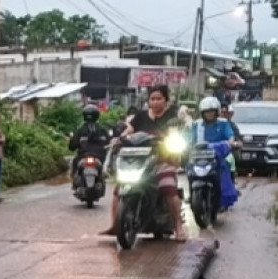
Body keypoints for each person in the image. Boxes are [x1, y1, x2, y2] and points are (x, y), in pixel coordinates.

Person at [101, 85, 187, 241]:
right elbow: (129, 131)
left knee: (168, 187)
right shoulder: (140, 116)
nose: (155, 102)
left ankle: (178, 227)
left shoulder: (172, 117)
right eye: (152, 99)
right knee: (119, 188)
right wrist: (119, 138)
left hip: (163, 160)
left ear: (166, 100)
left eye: (159, 98)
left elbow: (178, 132)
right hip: (139, 161)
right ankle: (115, 225)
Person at [192, 97, 239, 210]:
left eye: (211, 111)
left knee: (226, 165)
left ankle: (224, 195)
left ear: (216, 112)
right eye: (206, 112)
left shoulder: (223, 123)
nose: (209, 114)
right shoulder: (197, 125)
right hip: (199, 156)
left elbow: (230, 136)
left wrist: (231, 142)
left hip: (219, 155)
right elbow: (189, 139)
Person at [68, 104, 110, 186]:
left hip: (83, 156)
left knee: (74, 163)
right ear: (97, 115)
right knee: (106, 170)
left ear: (84, 115)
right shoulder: (103, 129)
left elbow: (72, 147)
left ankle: (73, 182)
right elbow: (109, 143)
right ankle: (104, 175)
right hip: (100, 157)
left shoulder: (80, 130)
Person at [220, 102, 242, 185]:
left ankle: (231, 181)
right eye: (220, 112)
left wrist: (234, 143)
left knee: (232, 157)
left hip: (226, 152)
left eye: (224, 112)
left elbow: (238, 140)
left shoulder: (230, 125)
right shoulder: (206, 125)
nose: (222, 114)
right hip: (208, 153)